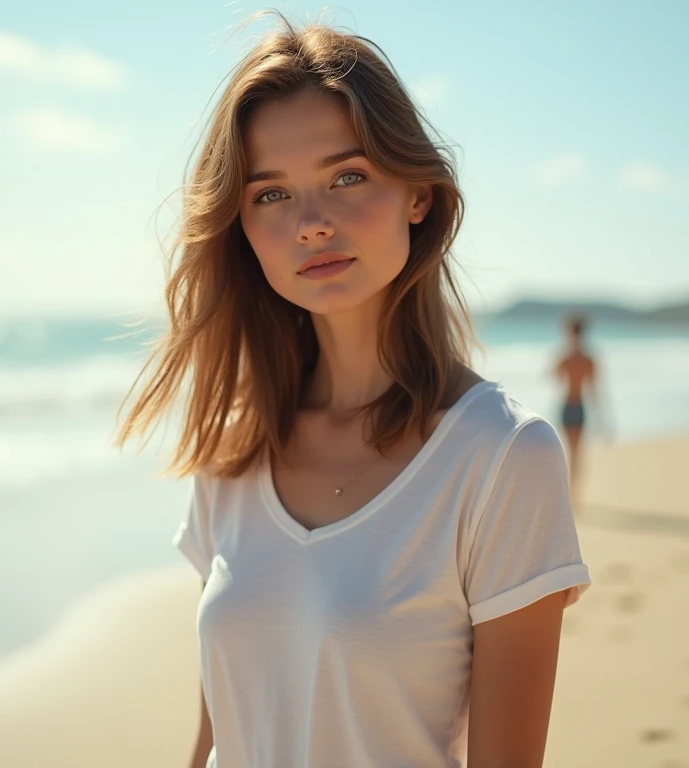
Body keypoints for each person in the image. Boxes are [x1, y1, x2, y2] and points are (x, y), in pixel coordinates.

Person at [117, 17, 590, 768]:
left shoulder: (502, 460)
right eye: (270, 194)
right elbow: (221, 734)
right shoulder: (233, 452)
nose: (310, 224)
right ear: (240, 225)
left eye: (347, 177)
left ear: (418, 196)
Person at [553, 313, 599, 490]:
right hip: (579, 406)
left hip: (566, 405)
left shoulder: (565, 356)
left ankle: (568, 492)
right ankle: (574, 494)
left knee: (563, 451)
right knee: (576, 454)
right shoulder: (588, 359)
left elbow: (555, 377)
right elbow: (594, 390)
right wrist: (601, 418)